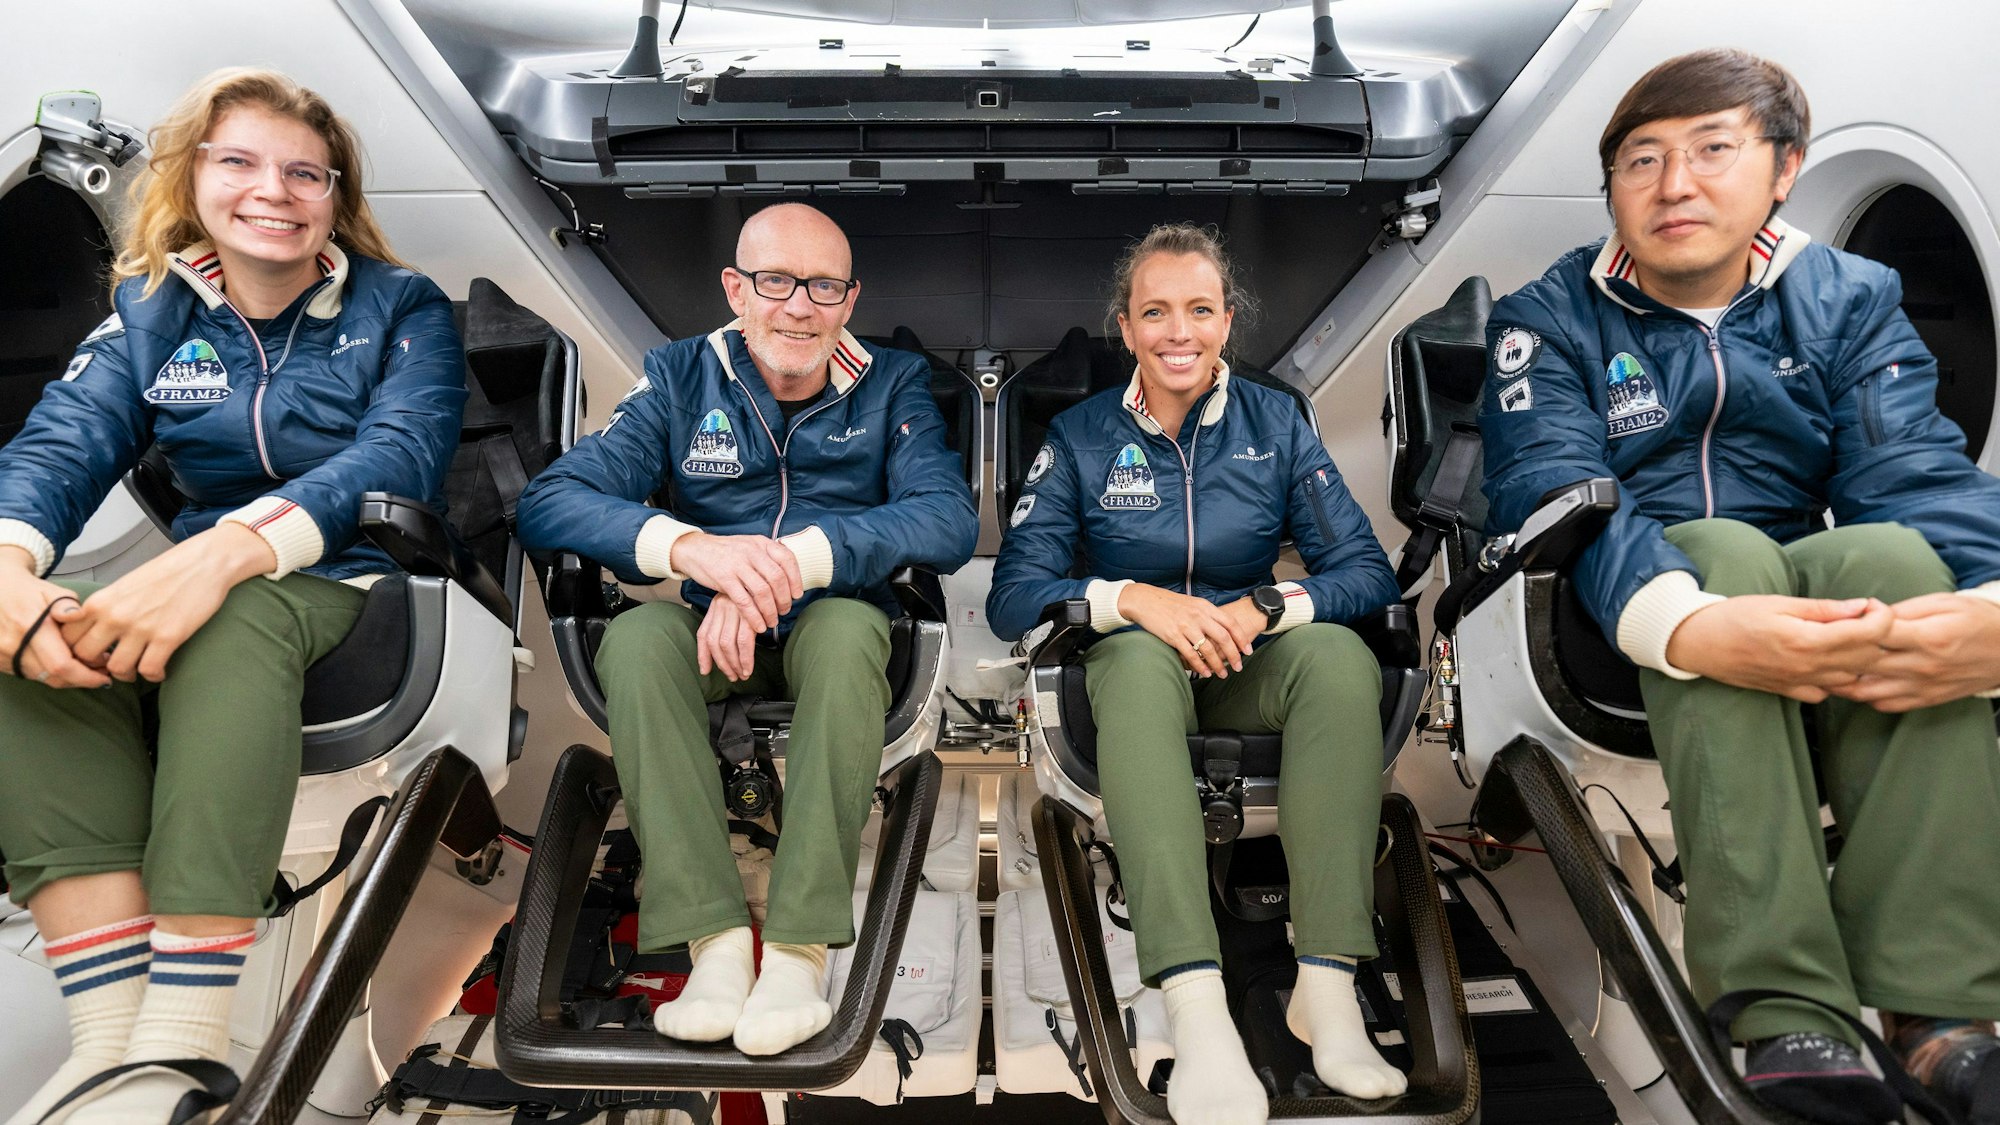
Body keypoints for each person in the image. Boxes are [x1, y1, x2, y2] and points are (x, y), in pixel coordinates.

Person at [1480, 47, 2000, 1125]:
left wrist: (1989, 610)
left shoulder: (1847, 297)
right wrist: (1690, 624)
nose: (1673, 184)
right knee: (1719, 552)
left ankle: (1941, 1009)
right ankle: (1783, 1006)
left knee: (1895, 564)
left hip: (1796, 578)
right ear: (1612, 186)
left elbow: (1912, 475)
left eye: (1711, 149)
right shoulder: (1549, 317)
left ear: (1782, 168)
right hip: (1620, 598)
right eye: (1641, 160)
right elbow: (1558, 489)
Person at [0, 68, 466, 1125]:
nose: (274, 191)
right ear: (193, 177)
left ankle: (182, 1038)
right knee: (33, 636)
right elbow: (64, 442)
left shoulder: (401, 307)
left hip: (351, 582)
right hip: (201, 581)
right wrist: (10, 569)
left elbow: (398, 455)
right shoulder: (152, 312)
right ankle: (109, 1042)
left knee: (232, 615)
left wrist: (222, 556)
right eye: (241, 162)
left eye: (305, 173)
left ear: (335, 197)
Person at [516, 202, 978, 1056]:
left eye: (824, 286)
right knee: (636, 641)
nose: (799, 306)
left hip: (832, 620)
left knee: (848, 633)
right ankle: (716, 947)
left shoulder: (893, 382)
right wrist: (699, 552)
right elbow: (550, 501)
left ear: (849, 300)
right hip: (708, 632)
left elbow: (947, 518)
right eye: (775, 282)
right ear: (736, 288)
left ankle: (797, 955)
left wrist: (783, 563)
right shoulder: (680, 375)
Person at [986, 223, 1406, 1125]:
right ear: (1126, 327)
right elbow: (1013, 596)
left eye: (1201, 310)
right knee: (1139, 663)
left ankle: (1327, 987)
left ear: (1226, 322)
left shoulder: (1275, 423)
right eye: (1156, 313)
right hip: (1134, 662)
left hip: (1244, 656)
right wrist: (1133, 599)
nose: (1180, 332)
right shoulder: (1080, 436)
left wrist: (1266, 606)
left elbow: (1367, 573)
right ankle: (1196, 1004)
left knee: (1338, 654)